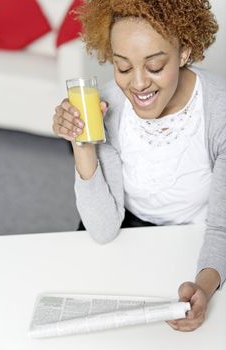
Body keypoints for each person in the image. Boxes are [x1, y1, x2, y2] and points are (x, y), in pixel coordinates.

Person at [53, 0, 226, 332]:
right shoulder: (108, 106)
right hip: (126, 226)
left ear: (185, 52)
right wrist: (82, 142)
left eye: (155, 65)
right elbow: (103, 230)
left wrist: (203, 288)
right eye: (122, 67)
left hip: (195, 236)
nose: (138, 84)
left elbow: (221, 230)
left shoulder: (218, 110)